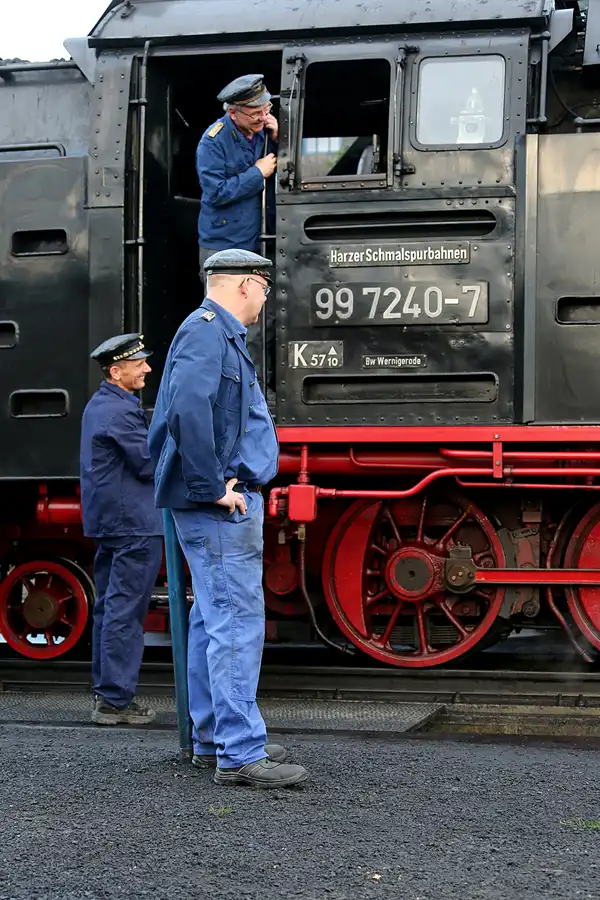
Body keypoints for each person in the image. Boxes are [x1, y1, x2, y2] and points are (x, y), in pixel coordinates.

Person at [148, 249, 308, 789]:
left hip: (219, 501)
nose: (265, 300)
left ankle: (213, 736)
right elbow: (186, 411)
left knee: (212, 620)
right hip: (219, 505)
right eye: (263, 288)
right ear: (243, 285)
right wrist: (212, 487)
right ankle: (239, 753)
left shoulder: (212, 333)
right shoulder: (207, 332)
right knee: (236, 623)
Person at [80, 333, 163, 726]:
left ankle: (106, 693)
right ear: (117, 371)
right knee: (125, 609)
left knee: (109, 607)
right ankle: (114, 699)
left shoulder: (102, 405)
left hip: (113, 521)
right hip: (134, 523)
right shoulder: (120, 412)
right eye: (139, 363)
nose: (146, 368)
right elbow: (147, 464)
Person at [195, 74, 278, 393]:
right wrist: (256, 174)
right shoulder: (213, 141)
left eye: (265, 108)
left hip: (258, 238)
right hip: (225, 245)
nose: (263, 116)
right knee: (228, 320)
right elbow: (215, 192)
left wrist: (278, 137)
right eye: (255, 112)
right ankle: (230, 389)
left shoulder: (262, 131)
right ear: (233, 113)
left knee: (261, 317)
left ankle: (253, 386)